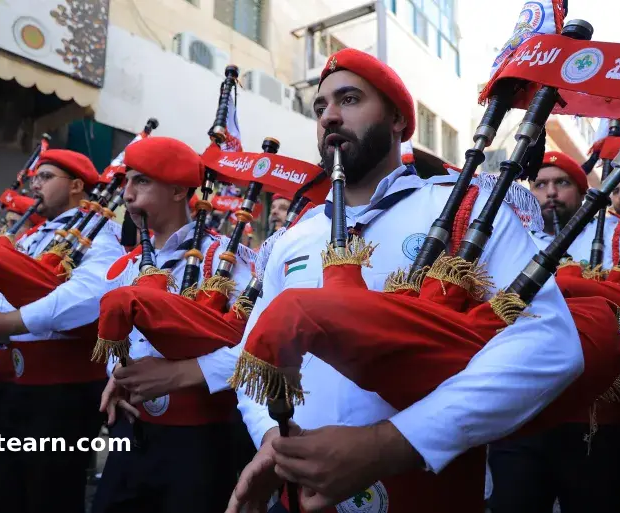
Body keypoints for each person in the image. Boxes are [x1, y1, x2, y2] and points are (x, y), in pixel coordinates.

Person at [224, 48, 583, 513]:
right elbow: (255, 356)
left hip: (428, 490)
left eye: (349, 99)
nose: (330, 115)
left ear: (398, 119)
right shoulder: (294, 238)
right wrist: (273, 438)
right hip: (298, 489)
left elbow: (549, 342)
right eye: (320, 106)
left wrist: (389, 444)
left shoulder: (461, 212)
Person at [0, 150, 123, 513]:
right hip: (18, 387)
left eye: (46, 177)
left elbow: (89, 296)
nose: (35, 184)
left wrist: (6, 324)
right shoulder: (35, 235)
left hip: (63, 391)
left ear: (76, 186)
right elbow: (6, 294)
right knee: (5, 492)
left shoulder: (101, 231)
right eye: (35, 177)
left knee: (48, 494)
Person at [486, 152, 620, 513]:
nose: (550, 192)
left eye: (562, 183)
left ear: (583, 192)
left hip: (600, 420)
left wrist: (605, 340)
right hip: (520, 412)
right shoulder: (509, 236)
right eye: (541, 184)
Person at [91, 136, 254, 513]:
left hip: (200, 443)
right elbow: (114, 344)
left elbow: (259, 350)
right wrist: (118, 372)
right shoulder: (125, 267)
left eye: (141, 181)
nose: (127, 194)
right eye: (126, 182)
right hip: (131, 432)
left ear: (180, 190)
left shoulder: (227, 261)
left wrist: (182, 373)